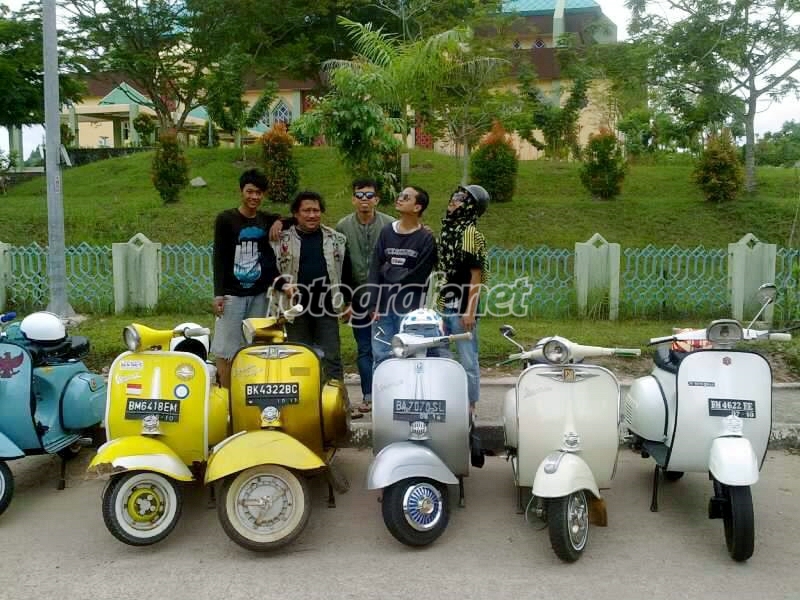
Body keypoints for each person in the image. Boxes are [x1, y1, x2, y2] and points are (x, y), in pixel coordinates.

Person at [271, 191, 361, 417]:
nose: (312, 215)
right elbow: (270, 268)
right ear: (296, 214)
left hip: (327, 308)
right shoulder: (281, 239)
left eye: (316, 210)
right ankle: (302, 408)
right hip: (294, 310)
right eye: (306, 211)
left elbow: (346, 272)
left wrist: (349, 301)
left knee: (332, 357)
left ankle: (339, 407)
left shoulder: (336, 239)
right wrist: (283, 284)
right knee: (299, 359)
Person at [210, 168, 287, 388]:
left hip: (259, 294)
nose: (254, 197)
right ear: (241, 191)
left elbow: (289, 219)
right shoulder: (226, 219)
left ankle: (247, 391)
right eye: (250, 192)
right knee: (226, 349)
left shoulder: (264, 219)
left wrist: (279, 222)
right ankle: (226, 396)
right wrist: (218, 294)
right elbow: (219, 257)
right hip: (232, 294)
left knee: (253, 346)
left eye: (259, 193)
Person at [367, 186, 438, 385]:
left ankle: (408, 395)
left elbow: (419, 275)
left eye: (406, 197)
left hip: (410, 310)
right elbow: (375, 269)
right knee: (381, 354)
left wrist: (388, 270)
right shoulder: (386, 232)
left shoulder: (426, 239)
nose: (400, 199)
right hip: (382, 308)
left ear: (417, 207)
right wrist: (372, 304)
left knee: (411, 355)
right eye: (400, 196)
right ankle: (382, 396)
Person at [336, 178, 394, 414]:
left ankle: (389, 394)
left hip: (386, 297)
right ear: (353, 199)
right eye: (360, 196)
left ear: (376, 199)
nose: (364, 200)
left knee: (387, 346)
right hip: (357, 296)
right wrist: (346, 301)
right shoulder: (342, 227)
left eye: (369, 196)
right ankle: (369, 395)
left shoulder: (390, 225)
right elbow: (340, 266)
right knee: (364, 348)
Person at [435, 184, 490, 413]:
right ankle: (448, 399)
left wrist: (470, 311)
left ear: (470, 207)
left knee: (467, 358)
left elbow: (476, 275)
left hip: (462, 306)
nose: (453, 200)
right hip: (445, 303)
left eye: (460, 198)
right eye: (454, 195)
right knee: (442, 356)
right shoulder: (449, 231)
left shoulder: (470, 234)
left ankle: (469, 405)